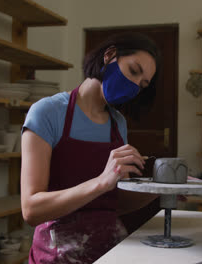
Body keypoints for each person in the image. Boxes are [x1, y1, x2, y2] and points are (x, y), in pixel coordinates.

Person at [20, 32, 161, 263]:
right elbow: (31, 210)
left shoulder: (118, 124)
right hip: (58, 253)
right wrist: (101, 182)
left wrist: (161, 189)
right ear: (110, 55)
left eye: (142, 84)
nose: (135, 86)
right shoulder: (47, 112)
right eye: (134, 71)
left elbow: (114, 204)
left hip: (109, 250)